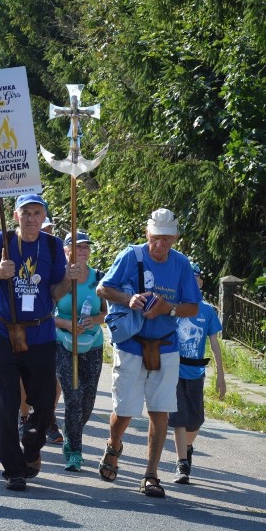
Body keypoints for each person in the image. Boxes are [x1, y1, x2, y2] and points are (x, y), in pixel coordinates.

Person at [0, 194, 79, 492]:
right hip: (4, 333)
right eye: (26, 213)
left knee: (43, 403)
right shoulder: (0, 242)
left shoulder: (53, 246)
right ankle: (14, 470)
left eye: (37, 212)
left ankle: (32, 443)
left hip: (41, 333)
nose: (31, 218)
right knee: (6, 403)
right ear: (16, 216)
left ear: (44, 217)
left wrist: (71, 279)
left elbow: (55, 293)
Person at [96, 208, 201, 498]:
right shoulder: (131, 256)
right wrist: (128, 298)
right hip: (131, 344)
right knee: (125, 410)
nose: (160, 246)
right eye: (156, 239)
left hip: (166, 346)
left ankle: (151, 474)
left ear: (175, 239)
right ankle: (114, 446)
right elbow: (103, 289)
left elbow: (193, 306)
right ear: (147, 234)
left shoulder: (181, 264)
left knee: (160, 411)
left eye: (166, 240)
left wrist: (170, 308)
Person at [53, 232, 107, 472]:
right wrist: (66, 324)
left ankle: (70, 430)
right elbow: (46, 312)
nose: (82, 250)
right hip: (62, 343)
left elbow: (107, 313)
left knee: (87, 401)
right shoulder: (58, 277)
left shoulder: (98, 278)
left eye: (86, 246)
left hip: (92, 344)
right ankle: (74, 451)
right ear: (66, 251)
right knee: (73, 396)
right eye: (76, 247)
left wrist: (94, 319)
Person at [169, 262, 225, 485]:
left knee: (195, 421)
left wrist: (221, 376)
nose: (193, 281)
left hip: (196, 372)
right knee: (179, 418)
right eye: (188, 278)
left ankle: (188, 447)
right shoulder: (175, 308)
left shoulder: (208, 311)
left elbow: (215, 345)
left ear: (201, 282)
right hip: (174, 370)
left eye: (197, 278)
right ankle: (182, 463)